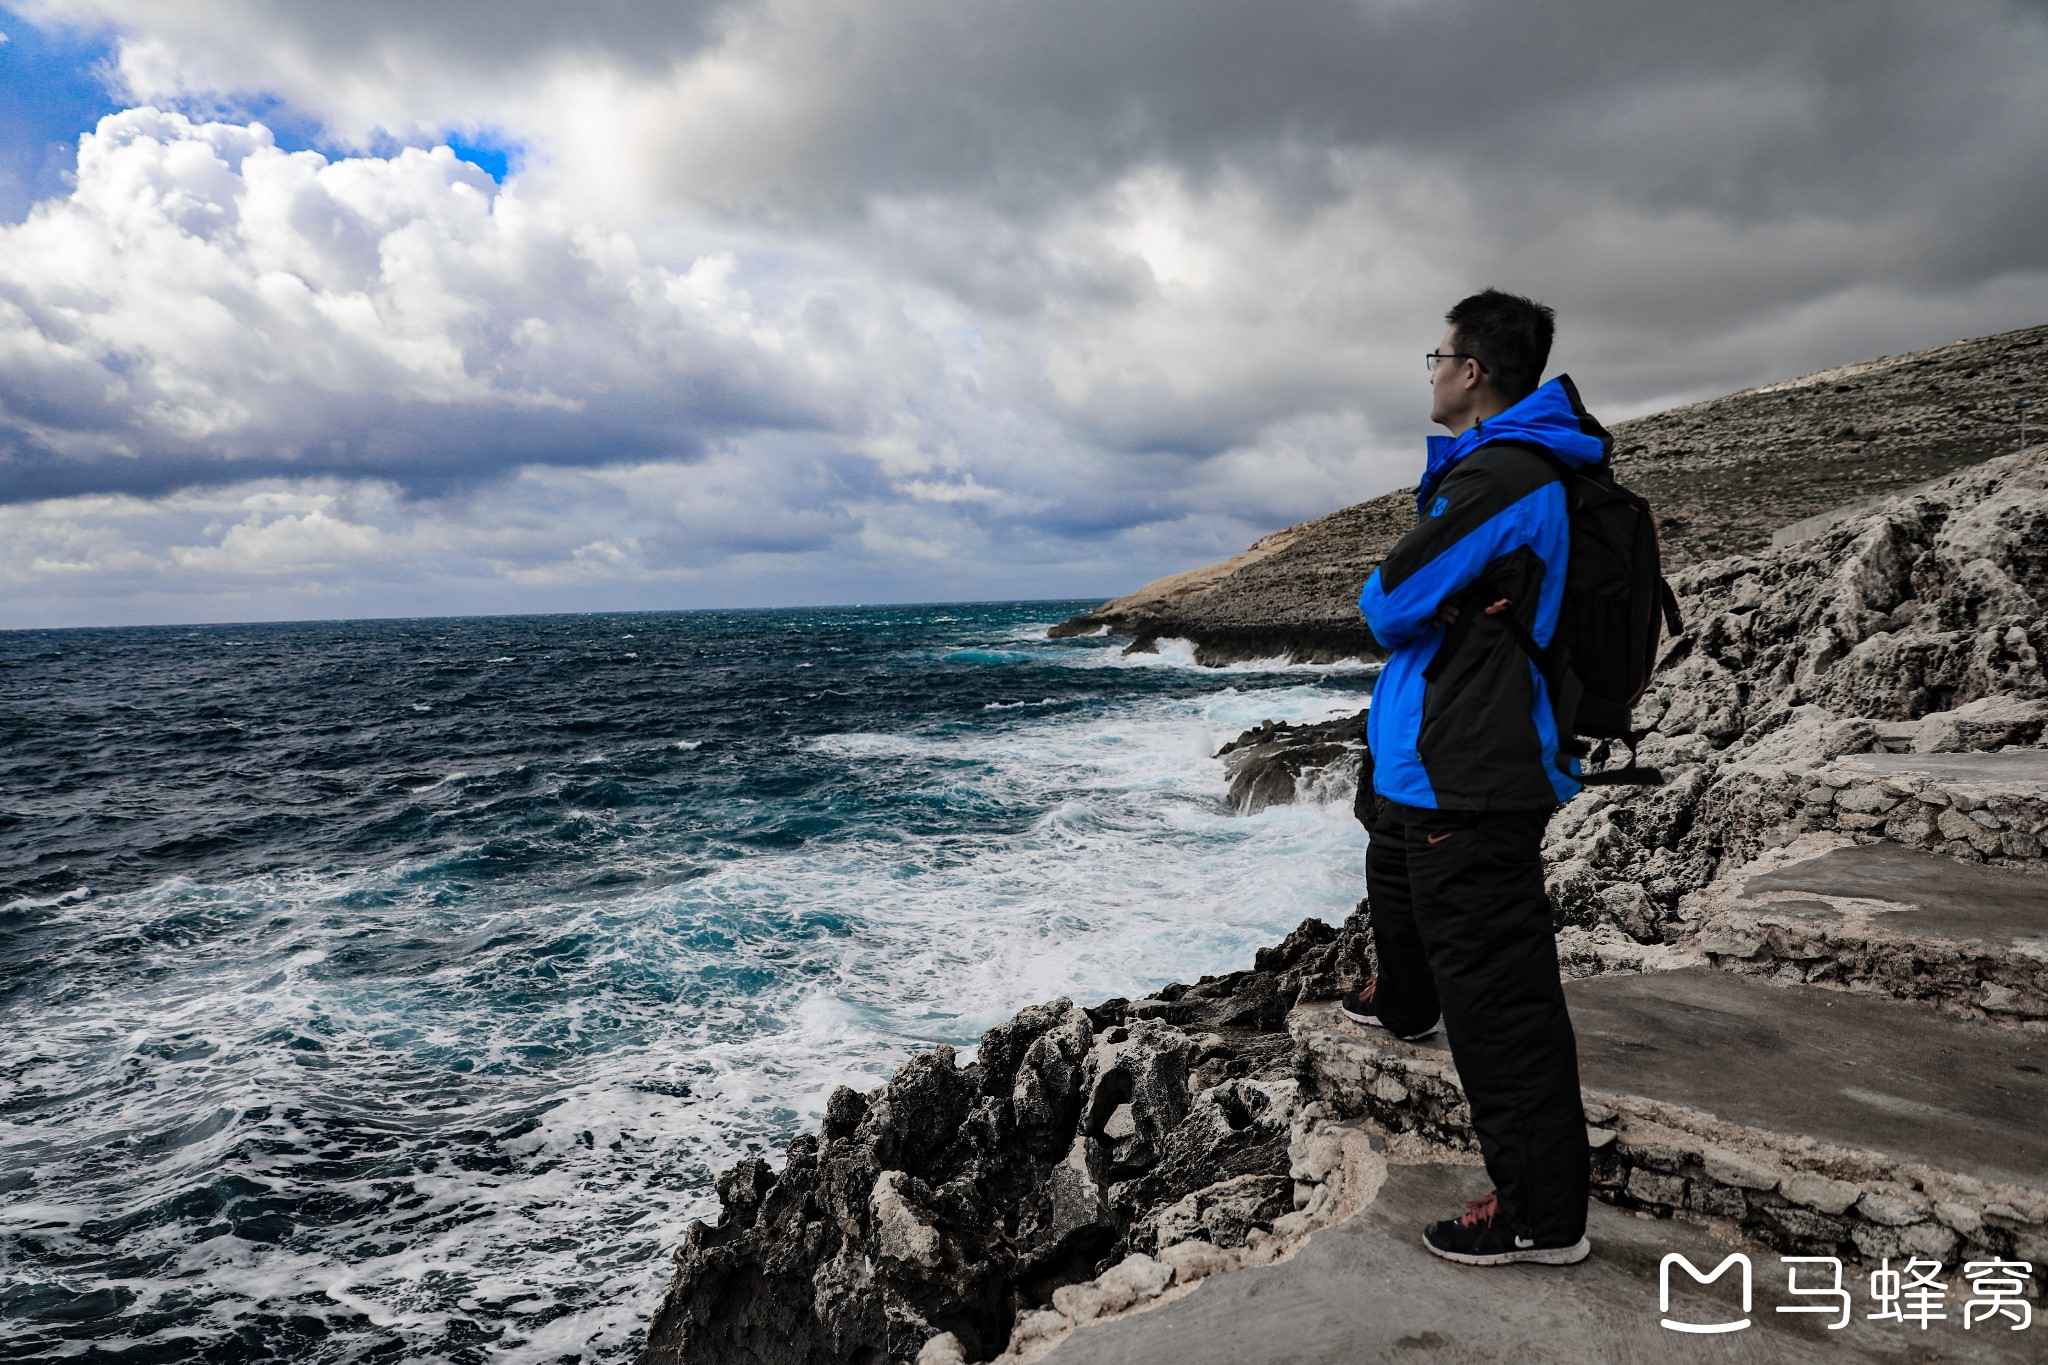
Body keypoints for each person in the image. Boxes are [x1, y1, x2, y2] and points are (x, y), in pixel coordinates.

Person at [1340, 288, 1606, 1267]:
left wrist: (1427, 604)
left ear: (1472, 371)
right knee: (1401, 884)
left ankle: (1540, 1215)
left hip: (1473, 773)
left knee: (1498, 1000)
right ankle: (1402, 998)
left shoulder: (1502, 476)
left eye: (1437, 354)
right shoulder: (1491, 469)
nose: (1430, 369)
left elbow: (1386, 600)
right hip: (1437, 758)